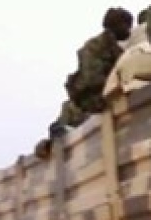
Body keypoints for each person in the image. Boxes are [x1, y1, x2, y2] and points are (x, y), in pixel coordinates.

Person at [46, 7, 133, 136]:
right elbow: (93, 80)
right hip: (91, 100)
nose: (129, 30)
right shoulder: (94, 47)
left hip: (102, 96)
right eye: (127, 25)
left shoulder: (112, 46)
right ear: (118, 25)